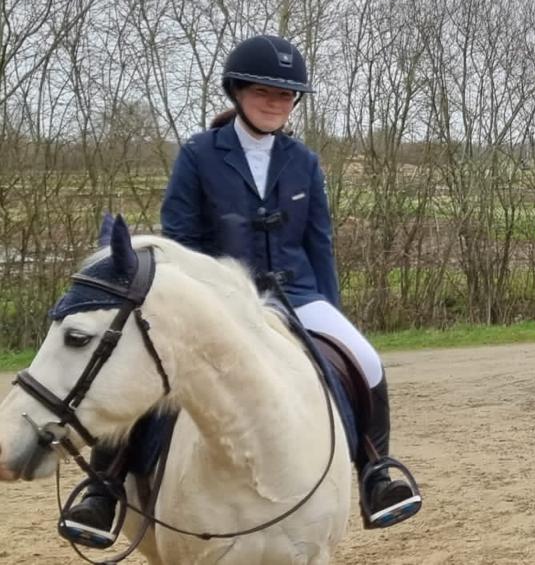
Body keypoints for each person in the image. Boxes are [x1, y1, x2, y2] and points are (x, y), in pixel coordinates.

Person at [59, 35, 422, 548]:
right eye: (263, 92)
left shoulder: (304, 162)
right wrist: (195, 302)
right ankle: (105, 488)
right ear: (236, 92)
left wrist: (328, 311)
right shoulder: (200, 155)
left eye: (285, 95)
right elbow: (180, 240)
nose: (275, 103)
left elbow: (320, 245)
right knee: (160, 375)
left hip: (297, 294)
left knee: (366, 360)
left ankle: (375, 472)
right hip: (218, 301)